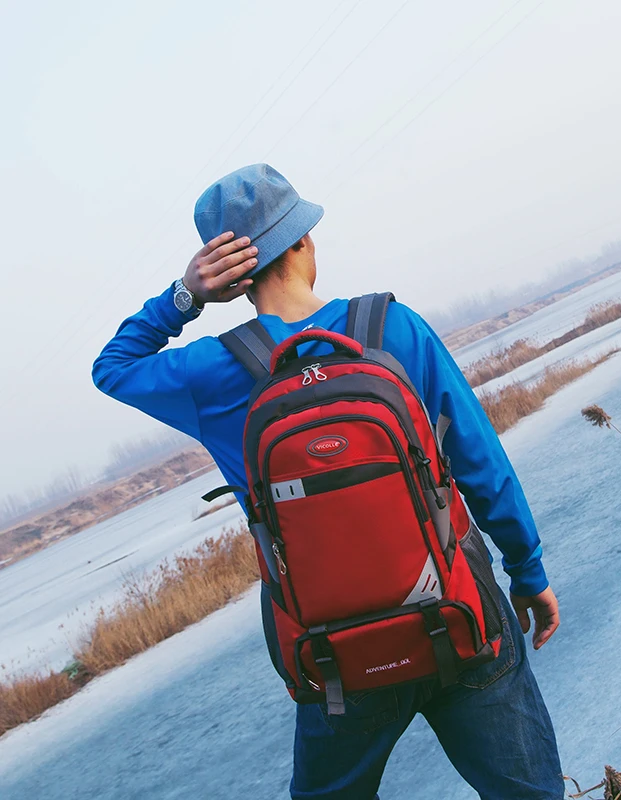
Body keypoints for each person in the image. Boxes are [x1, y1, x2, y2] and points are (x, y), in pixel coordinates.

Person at [92, 163, 564, 799]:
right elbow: (481, 463)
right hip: (460, 613)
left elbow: (113, 368)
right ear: (304, 243)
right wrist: (528, 572)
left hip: (333, 657)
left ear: (232, 278)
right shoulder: (392, 327)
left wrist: (184, 297)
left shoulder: (212, 371)